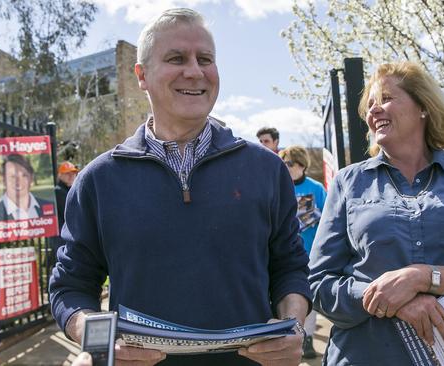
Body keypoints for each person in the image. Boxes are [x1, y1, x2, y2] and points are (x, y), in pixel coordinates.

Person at [49, 8, 310, 366]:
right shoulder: (98, 179)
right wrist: (100, 344)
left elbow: (291, 267)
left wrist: (292, 324)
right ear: (141, 75)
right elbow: (71, 287)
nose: (195, 70)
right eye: (176, 58)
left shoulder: (266, 169)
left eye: (206, 59)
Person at [308, 61, 444, 364]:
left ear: (423, 106)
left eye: (386, 99)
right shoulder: (348, 182)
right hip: (367, 354)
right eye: (370, 106)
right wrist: (391, 301)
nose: (374, 111)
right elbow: (318, 284)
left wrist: (425, 278)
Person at [279, 146, 326, 359]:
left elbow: (328, 219)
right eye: (284, 163)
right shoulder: (280, 187)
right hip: (287, 254)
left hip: (312, 253)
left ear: (301, 164)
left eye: (289, 163)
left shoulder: (316, 188)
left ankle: (306, 339)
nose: (286, 168)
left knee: (310, 298)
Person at [0, 154, 55, 222]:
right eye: (13, 177)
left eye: (24, 175)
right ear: (3, 180)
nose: (19, 182)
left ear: (31, 178)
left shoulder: (51, 207)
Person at [54, 161, 79, 231]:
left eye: (73, 173)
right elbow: (72, 213)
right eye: (67, 173)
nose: (71, 176)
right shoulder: (58, 191)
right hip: (61, 234)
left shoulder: (71, 189)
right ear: (60, 175)